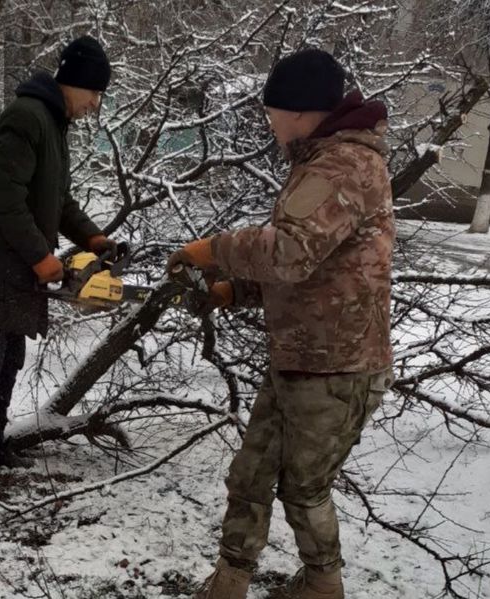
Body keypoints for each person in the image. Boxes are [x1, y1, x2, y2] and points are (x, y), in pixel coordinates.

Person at [166, 48, 395, 599]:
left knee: (305, 487)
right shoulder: (325, 162)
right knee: (251, 475)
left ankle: (323, 586)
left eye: (272, 114)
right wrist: (234, 291)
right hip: (299, 356)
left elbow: (290, 252)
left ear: (298, 110)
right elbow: (316, 266)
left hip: (335, 366)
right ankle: (229, 581)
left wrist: (212, 250)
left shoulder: (343, 166)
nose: (269, 125)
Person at [0, 35, 118, 472]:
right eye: (95, 92)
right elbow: (1, 195)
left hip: (14, 273)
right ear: (76, 82)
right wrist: (42, 258)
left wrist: (93, 239)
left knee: (7, 364)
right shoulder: (28, 118)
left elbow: (56, 201)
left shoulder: (53, 125)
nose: (95, 104)